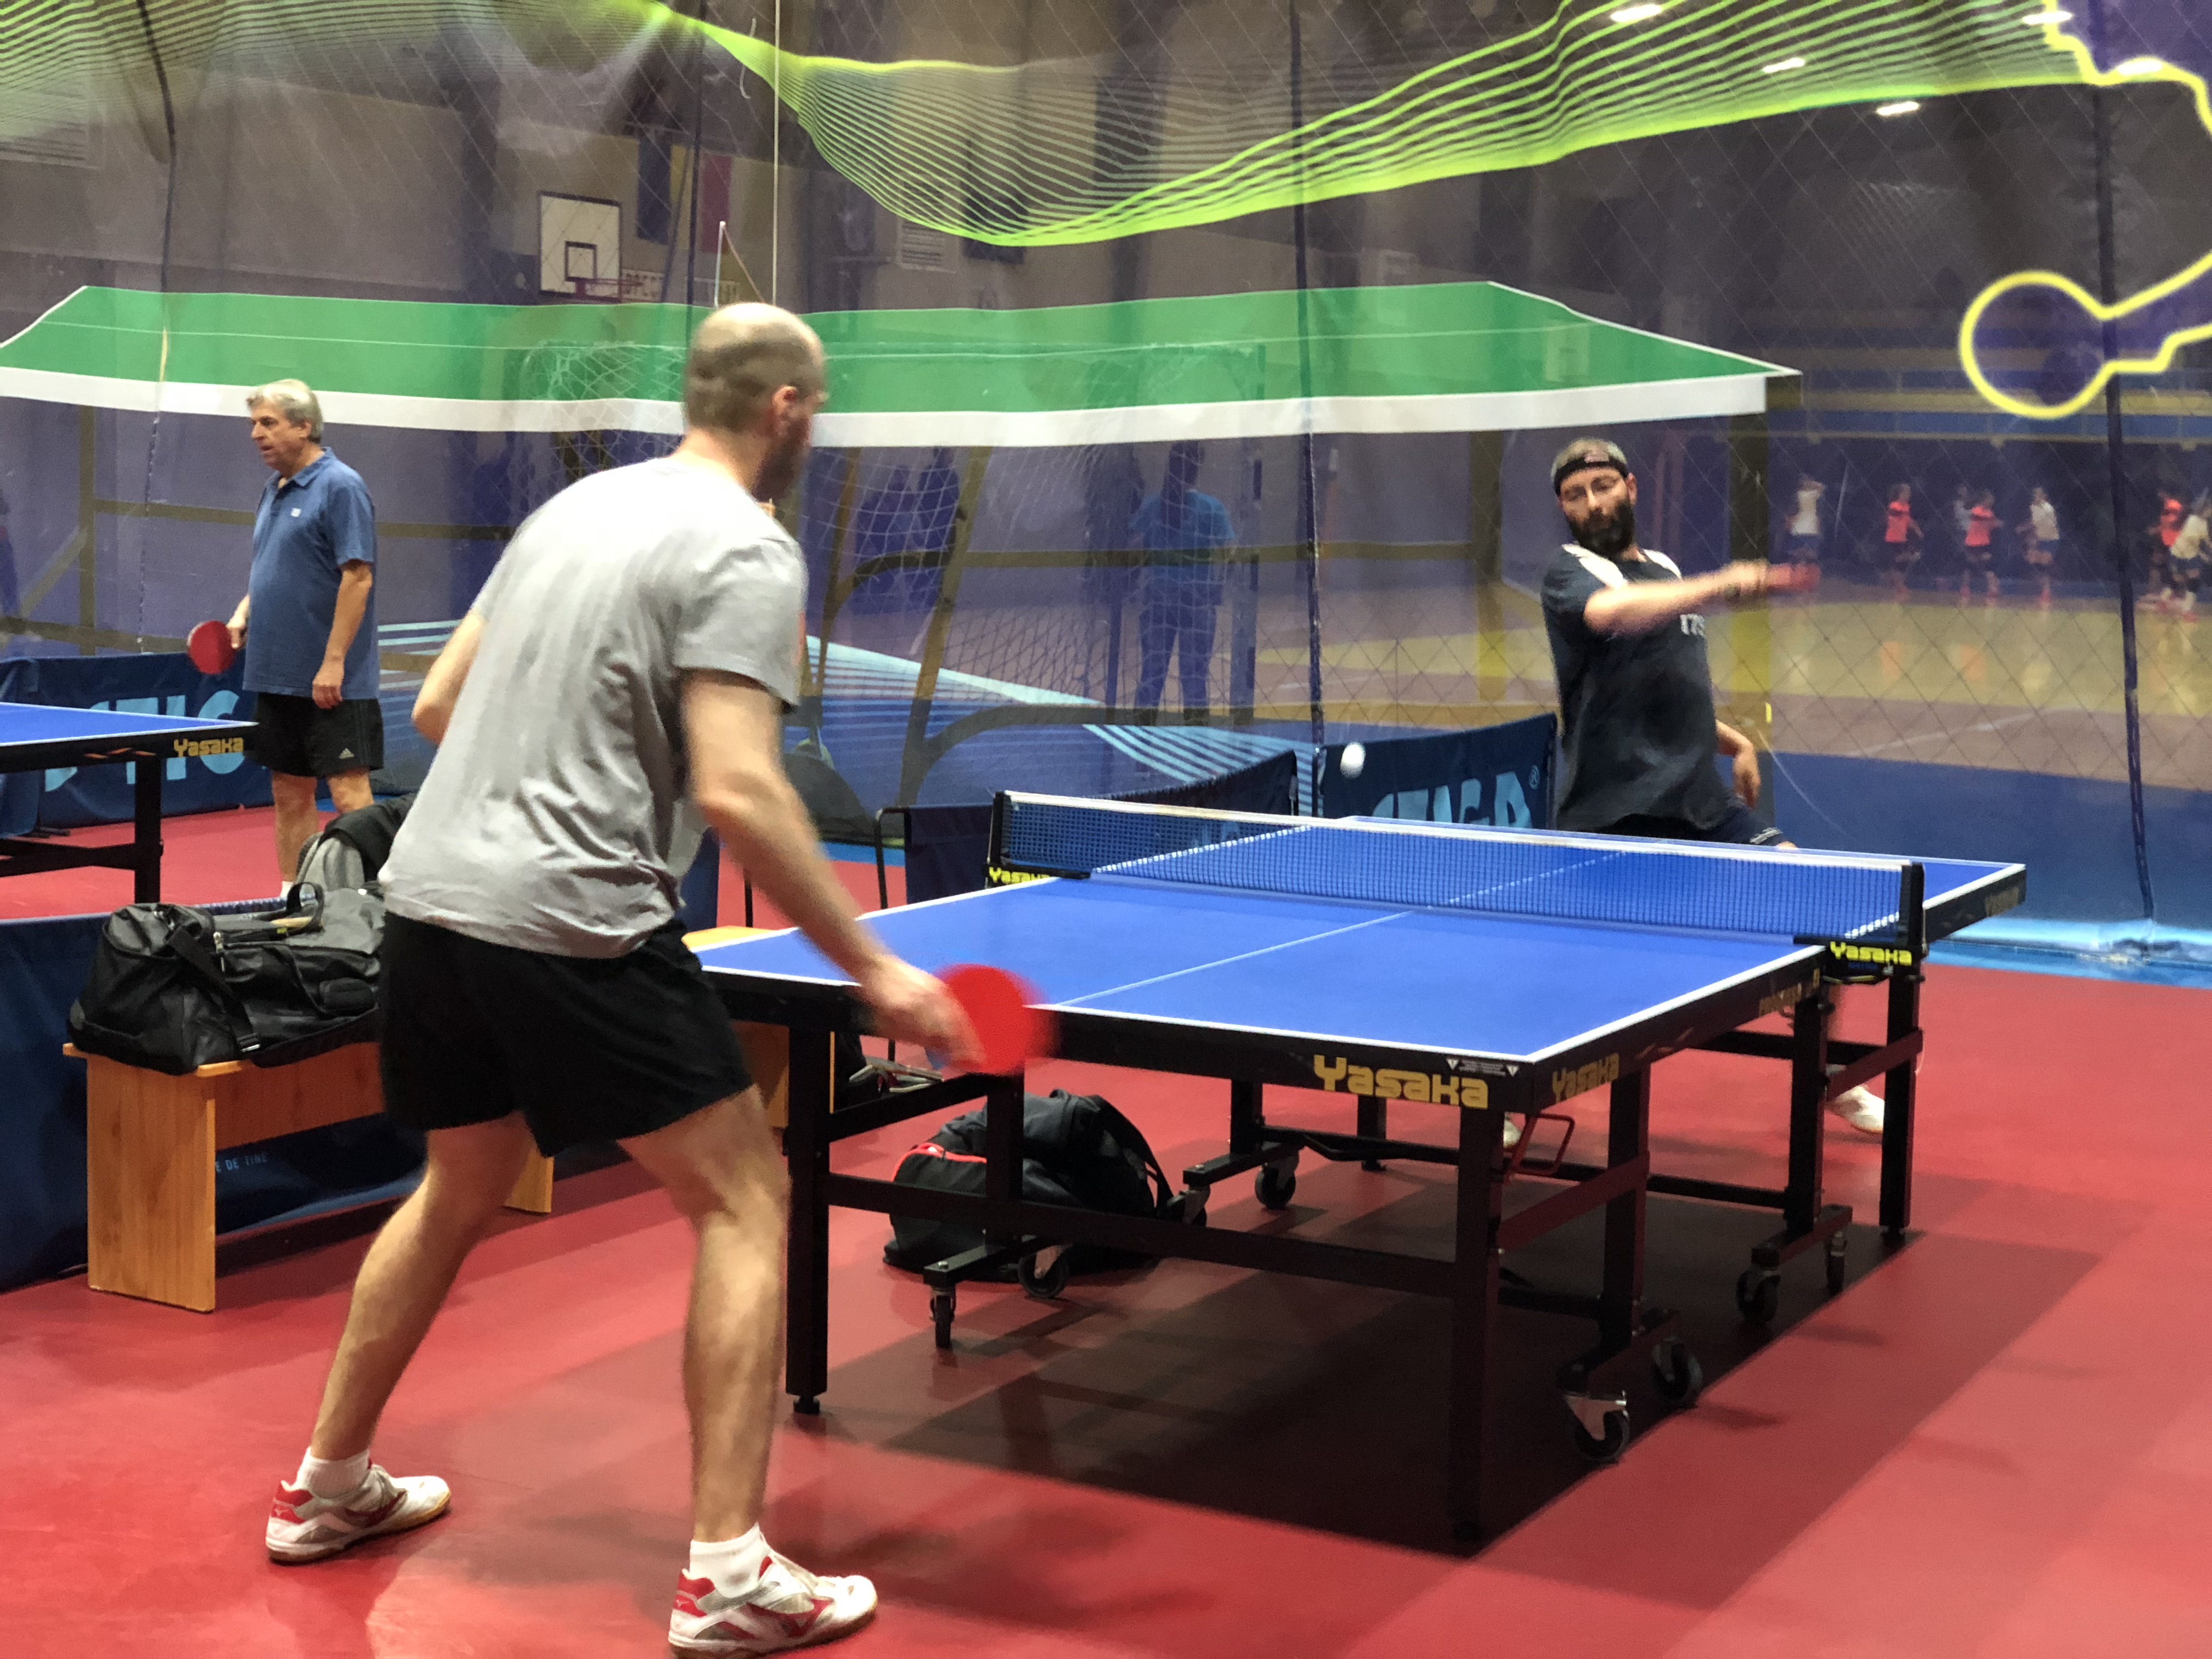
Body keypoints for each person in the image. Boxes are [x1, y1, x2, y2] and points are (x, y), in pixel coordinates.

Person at [259, 304, 979, 1656]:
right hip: (572, 917)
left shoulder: (572, 512)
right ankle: (728, 1576)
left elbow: (435, 708)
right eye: (818, 407)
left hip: (430, 899)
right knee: (745, 1198)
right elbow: (739, 788)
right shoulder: (746, 546)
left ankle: (328, 1485)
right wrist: (877, 966)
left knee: (461, 1181)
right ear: (784, 410)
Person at [1539, 437, 1881, 1136]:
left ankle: (1824, 1073)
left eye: (1603, 486)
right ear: (1564, 509)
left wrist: (1736, 741)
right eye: (1575, 495)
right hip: (1614, 813)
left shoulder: (1663, 569)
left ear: (1631, 487)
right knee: (1577, 978)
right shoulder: (1569, 573)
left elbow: (1670, 681)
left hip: (1699, 805)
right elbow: (1614, 615)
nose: (1592, 504)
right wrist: (1724, 583)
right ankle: (1514, 1097)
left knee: (1819, 901)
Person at [224, 380, 381, 884]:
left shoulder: (341, 486)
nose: (256, 434)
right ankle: (293, 901)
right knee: (289, 793)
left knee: (349, 798)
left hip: (333, 681)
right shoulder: (275, 488)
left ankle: (374, 904)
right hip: (277, 672)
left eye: (268, 423)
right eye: (254, 424)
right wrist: (245, 610)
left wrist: (334, 661)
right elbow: (277, 564)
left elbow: (358, 577)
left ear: (304, 426)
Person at [1130, 439, 1234, 720]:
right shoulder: (1212, 508)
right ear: (1198, 469)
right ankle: (1196, 735)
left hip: (1159, 598)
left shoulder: (1153, 506)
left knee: (1152, 673)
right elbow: (1230, 553)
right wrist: (1217, 584)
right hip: (1197, 600)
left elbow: (1135, 551)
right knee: (1195, 677)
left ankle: (1141, 732)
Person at [2163, 492, 2208, 620]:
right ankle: (2165, 601)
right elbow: (2192, 539)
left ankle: (2185, 609)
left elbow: (2205, 540)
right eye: (2210, 510)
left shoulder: (2203, 523)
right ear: (2205, 509)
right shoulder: (2193, 520)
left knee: (2193, 580)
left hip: (2189, 555)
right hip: (2180, 553)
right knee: (2180, 579)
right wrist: (2203, 554)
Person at [2017, 487, 2060, 610]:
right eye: (2035, 494)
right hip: (2040, 539)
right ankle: (2046, 584)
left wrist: (2022, 528)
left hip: (2051, 539)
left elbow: (2034, 523)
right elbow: (2034, 523)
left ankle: (2047, 590)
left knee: (2045, 562)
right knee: (2033, 560)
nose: (2037, 496)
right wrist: (2032, 537)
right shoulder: (2033, 507)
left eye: (2040, 494)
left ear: (2045, 496)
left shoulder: (2047, 508)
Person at [1880, 483, 1921, 600]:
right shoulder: (1895, 506)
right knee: (1898, 561)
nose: (1909, 495)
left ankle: (1898, 587)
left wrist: (1916, 529)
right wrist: (1900, 528)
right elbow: (1892, 518)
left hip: (1902, 539)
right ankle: (1899, 587)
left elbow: (1908, 520)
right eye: (1906, 493)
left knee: (1901, 565)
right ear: (1900, 494)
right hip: (1893, 539)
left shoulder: (1906, 507)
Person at [2141, 493, 2183, 608]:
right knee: (2159, 566)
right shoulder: (2167, 505)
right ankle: (2156, 594)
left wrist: (2156, 530)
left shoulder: (2173, 505)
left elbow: (2171, 523)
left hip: (2170, 540)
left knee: (2165, 566)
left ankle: (2172, 594)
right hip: (2165, 539)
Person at [1959, 488, 1998, 606]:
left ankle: (1992, 589)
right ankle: (1965, 588)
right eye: (1990, 499)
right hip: (1972, 543)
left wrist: (1993, 523)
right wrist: (1992, 522)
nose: (1992, 502)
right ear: (1984, 500)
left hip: (1984, 543)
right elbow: (1976, 518)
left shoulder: (1990, 513)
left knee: (1988, 565)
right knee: (1970, 566)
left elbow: (1990, 526)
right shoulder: (1977, 510)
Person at [1784, 474, 1825, 563]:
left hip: (1809, 529)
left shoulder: (1811, 494)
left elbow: (1822, 487)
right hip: (1801, 528)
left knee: (1806, 555)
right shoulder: (1802, 495)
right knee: (1799, 554)